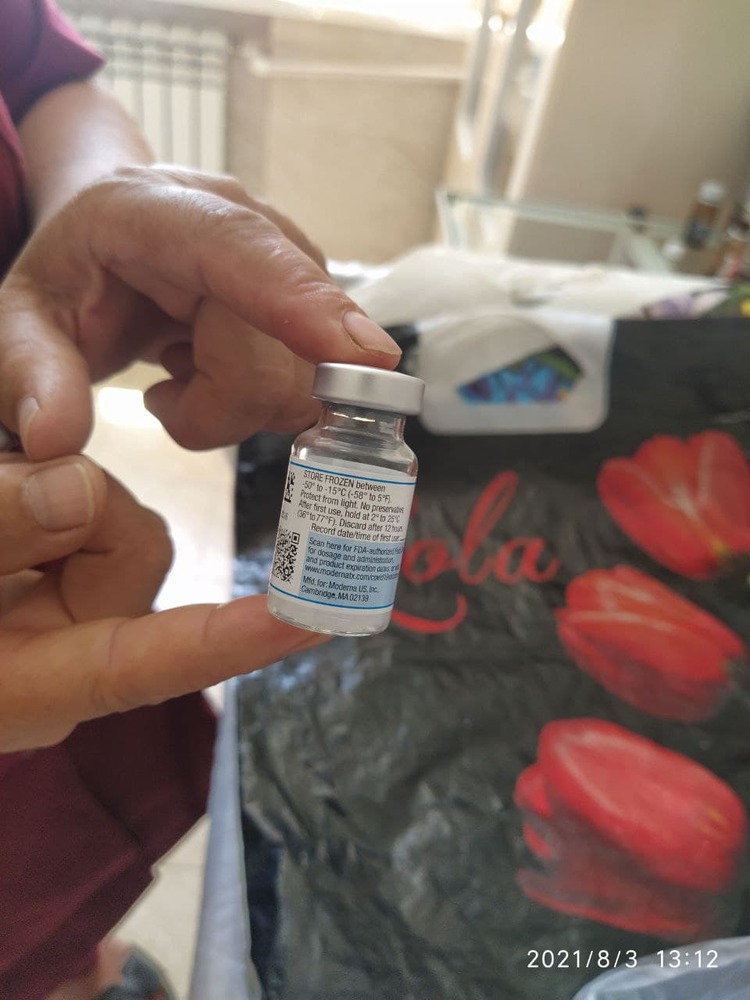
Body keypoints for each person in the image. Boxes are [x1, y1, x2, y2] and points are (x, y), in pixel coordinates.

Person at [0, 1, 401, 997]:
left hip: (56, 585)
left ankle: (85, 965)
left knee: (82, 839)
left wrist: (105, 197)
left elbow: (50, 80)